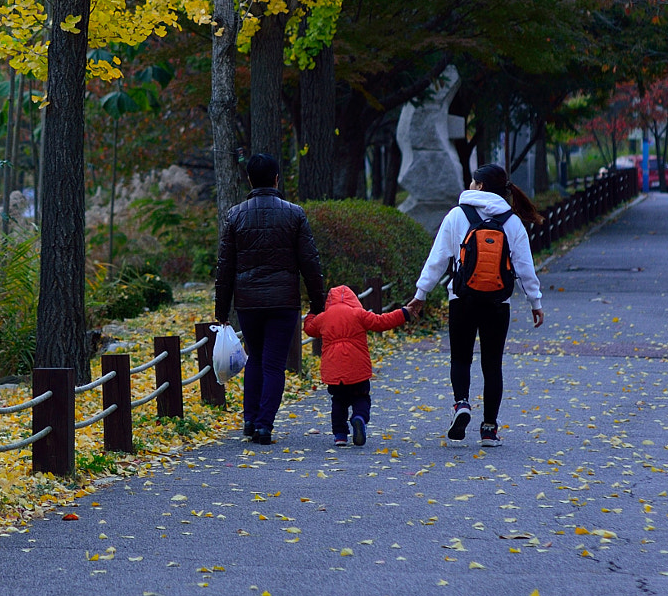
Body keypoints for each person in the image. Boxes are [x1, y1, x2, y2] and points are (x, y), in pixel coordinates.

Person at [410, 162, 544, 444]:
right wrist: (535, 301)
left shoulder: (458, 215)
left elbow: (437, 260)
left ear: (480, 186)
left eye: (473, 181)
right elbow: (524, 267)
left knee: (460, 358)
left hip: (462, 299)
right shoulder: (512, 221)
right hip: (498, 302)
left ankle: (461, 404)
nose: (470, 185)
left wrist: (420, 295)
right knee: (492, 364)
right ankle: (489, 429)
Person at [214, 152, 326, 445]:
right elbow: (310, 263)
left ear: (249, 179)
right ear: (277, 178)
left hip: (248, 302)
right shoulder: (294, 213)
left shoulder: (235, 214)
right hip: (283, 301)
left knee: (255, 359)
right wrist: (318, 303)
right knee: (275, 364)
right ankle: (265, 425)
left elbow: (225, 267)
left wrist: (221, 309)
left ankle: (250, 420)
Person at [303, 284, 411, 447]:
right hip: (357, 369)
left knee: (338, 401)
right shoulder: (358, 314)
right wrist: (404, 313)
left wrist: (311, 314)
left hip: (334, 369)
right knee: (361, 397)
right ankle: (359, 418)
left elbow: (310, 330)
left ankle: (340, 435)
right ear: (353, 299)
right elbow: (382, 322)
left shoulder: (324, 317)